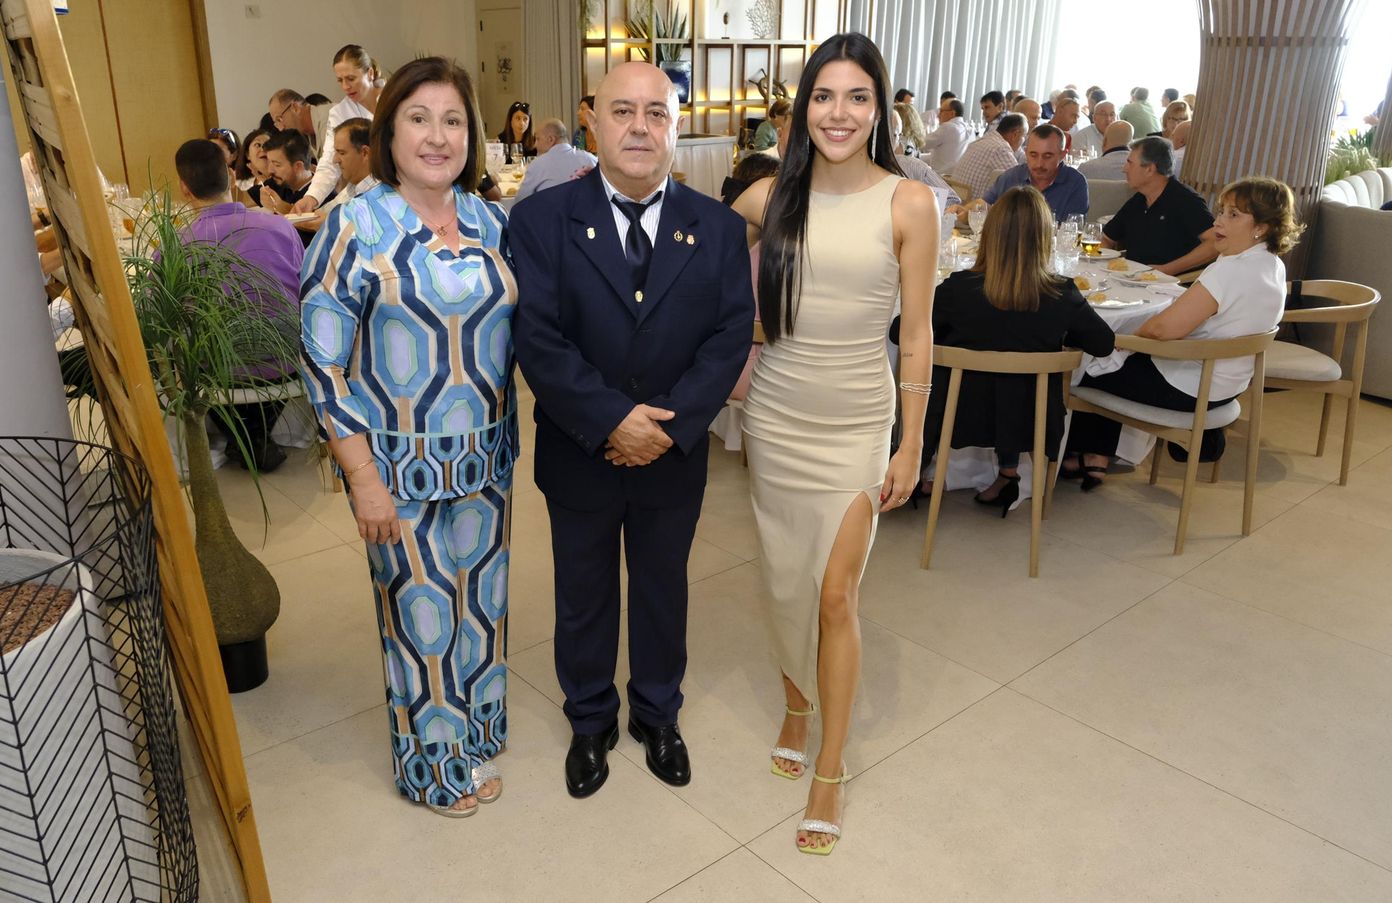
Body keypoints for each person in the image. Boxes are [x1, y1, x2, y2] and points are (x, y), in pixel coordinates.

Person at [509, 61, 753, 803]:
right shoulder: (542, 220)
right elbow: (538, 338)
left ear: (677, 127)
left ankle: (657, 713)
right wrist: (613, 419)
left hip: (672, 454)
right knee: (583, 592)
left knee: (662, 589)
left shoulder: (717, 227)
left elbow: (729, 336)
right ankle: (589, 720)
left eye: (656, 113)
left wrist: (665, 427)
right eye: (623, 111)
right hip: (579, 448)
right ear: (592, 122)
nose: (640, 127)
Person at [731, 32, 937, 856]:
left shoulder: (909, 203)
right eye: (824, 96)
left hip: (857, 422)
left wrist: (911, 443)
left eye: (857, 97)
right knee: (785, 578)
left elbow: (916, 335)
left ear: (880, 108)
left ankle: (830, 765)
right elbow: (693, 267)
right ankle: (796, 702)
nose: (839, 113)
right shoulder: (768, 197)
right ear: (802, 107)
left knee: (834, 594)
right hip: (777, 417)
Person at [300, 56, 518, 818]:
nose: (437, 136)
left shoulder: (492, 221)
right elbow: (322, 362)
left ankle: (474, 737)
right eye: (419, 119)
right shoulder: (355, 226)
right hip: (397, 470)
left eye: (453, 120)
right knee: (423, 619)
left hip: (487, 461)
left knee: (480, 609)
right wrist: (361, 476)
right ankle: (434, 768)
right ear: (388, 133)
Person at [1063, 177, 1299, 486]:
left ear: (1262, 228)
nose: (1218, 221)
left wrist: (1121, 341)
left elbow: (1161, 329)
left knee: (1085, 358)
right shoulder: (1272, 265)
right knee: (1118, 357)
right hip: (1227, 386)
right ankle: (1097, 456)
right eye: (1222, 211)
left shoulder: (1232, 269)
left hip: (1190, 390)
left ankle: (1054, 458)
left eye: (1233, 215)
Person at [912, 186, 1114, 508]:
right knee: (1015, 386)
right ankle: (1008, 473)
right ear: (1044, 239)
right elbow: (1103, 344)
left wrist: (954, 336)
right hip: (1031, 420)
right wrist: (1057, 334)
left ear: (990, 234)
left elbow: (902, 331)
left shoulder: (958, 290)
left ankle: (915, 472)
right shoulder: (1061, 293)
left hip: (961, 415)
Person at [172, 139, 304, 472]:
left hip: (218, 371)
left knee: (191, 343)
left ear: (184, 189)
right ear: (231, 176)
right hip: (284, 360)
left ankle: (242, 435)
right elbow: (306, 292)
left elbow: (166, 315)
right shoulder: (280, 226)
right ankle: (254, 435)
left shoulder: (178, 244)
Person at [1102, 137, 1217, 276]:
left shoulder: (1185, 200)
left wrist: (1167, 269)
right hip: (1132, 278)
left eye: (1130, 163)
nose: (1124, 169)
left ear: (1150, 169)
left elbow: (1214, 242)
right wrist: (1106, 263)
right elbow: (1107, 238)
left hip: (1170, 282)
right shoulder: (1139, 199)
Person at [293, 45, 380, 214]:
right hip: (363, 189)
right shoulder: (339, 113)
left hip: (402, 184)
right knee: (324, 216)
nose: (346, 86)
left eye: (351, 78)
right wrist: (312, 197)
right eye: (340, 80)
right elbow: (329, 160)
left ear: (370, 73)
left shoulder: (394, 99)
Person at [983, 124, 1088, 221]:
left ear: (1062, 155)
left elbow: (1073, 228)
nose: (1039, 164)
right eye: (1033, 155)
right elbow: (982, 206)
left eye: (1047, 156)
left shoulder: (1075, 183)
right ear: (1026, 152)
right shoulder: (1011, 177)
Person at [514, 118, 597, 202]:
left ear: (551, 139)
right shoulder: (591, 159)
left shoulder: (537, 165)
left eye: (538, 139)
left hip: (548, 210)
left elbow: (520, 203)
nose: (535, 145)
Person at [950, 112, 1026, 203]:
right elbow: (1020, 181)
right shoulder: (1000, 149)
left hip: (955, 198)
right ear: (1015, 135)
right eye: (1024, 136)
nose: (1023, 141)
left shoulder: (982, 141)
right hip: (972, 206)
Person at [314, 117, 378, 217]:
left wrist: (332, 223)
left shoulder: (381, 195)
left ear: (365, 153)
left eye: (342, 153)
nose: (335, 160)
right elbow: (320, 215)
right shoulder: (353, 186)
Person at [259, 129, 317, 213]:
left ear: (298, 166)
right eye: (269, 162)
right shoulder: (276, 182)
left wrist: (280, 206)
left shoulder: (320, 194)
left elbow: (312, 220)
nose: (270, 170)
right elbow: (244, 198)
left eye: (277, 165)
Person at [267, 88, 332, 151]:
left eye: (279, 119)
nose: (281, 129)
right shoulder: (309, 135)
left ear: (295, 108)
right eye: (276, 123)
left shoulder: (328, 118)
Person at [922, 97, 972, 174]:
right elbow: (944, 156)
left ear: (952, 113)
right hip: (955, 175)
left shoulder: (948, 127)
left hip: (938, 176)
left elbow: (923, 144)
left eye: (941, 111)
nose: (938, 115)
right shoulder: (968, 129)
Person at [235, 128, 273, 207]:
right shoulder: (240, 184)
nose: (263, 149)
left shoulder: (284, 182)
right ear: (247, 154)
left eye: (268, 145)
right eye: (258, 145)